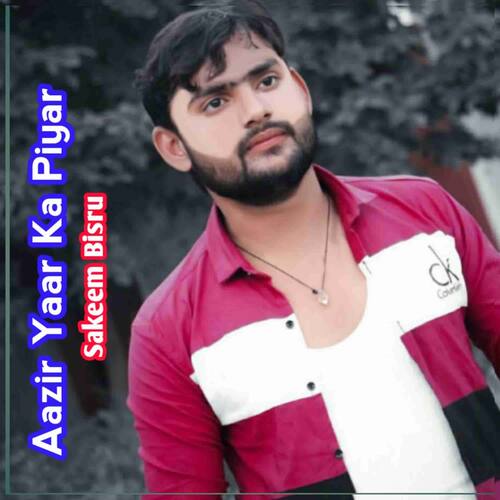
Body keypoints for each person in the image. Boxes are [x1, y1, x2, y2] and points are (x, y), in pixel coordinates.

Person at [127, 1, 500, 498]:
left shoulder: (425, 212)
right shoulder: (168, 330)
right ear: (174, 147)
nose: (256, 110)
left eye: (266, 81)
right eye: (215, 102)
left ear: (300, 90)